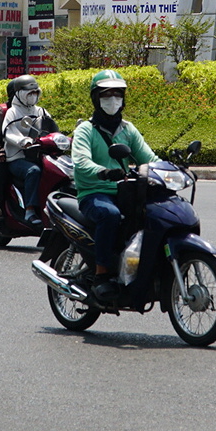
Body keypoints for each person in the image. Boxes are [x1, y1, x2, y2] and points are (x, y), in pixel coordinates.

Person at [70, 70, 156, 305]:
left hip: (125, 191)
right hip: (94, 193)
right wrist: (103, 171)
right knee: (110, 215)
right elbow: (80, 161)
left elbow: (148, 158)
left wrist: (168, 170)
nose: (112, 99)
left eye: (117, 94)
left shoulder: (128, 129)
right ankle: (101, 274)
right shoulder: (85, 130)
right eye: (106, 94)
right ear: (95, 98)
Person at [1, 75, 60, 228]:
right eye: (29, 93)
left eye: (35, 93)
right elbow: (8, 132)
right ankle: (30, 211)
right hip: (17, 157)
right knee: (33, 172)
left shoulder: (41, 111)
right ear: (20, 94)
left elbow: (51, 127)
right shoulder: (12, 112)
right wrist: (22, 141)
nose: (33, 97)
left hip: (39, 155)